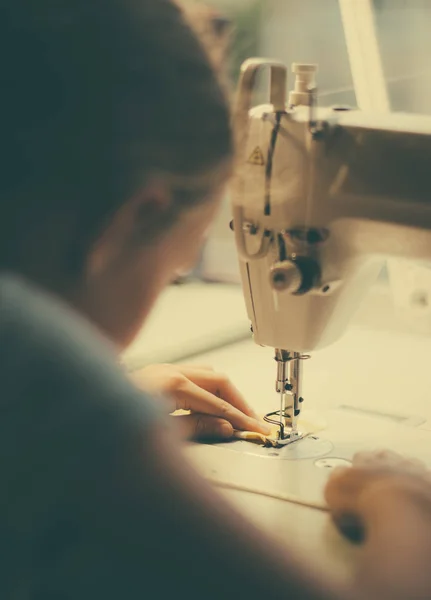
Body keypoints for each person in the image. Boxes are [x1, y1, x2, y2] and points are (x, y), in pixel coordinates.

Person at [1, 1, 431, 598]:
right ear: (129, 224)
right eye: (178, 265)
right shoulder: (41, 381)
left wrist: (116, 399)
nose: (177, 275)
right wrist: (401, 502)